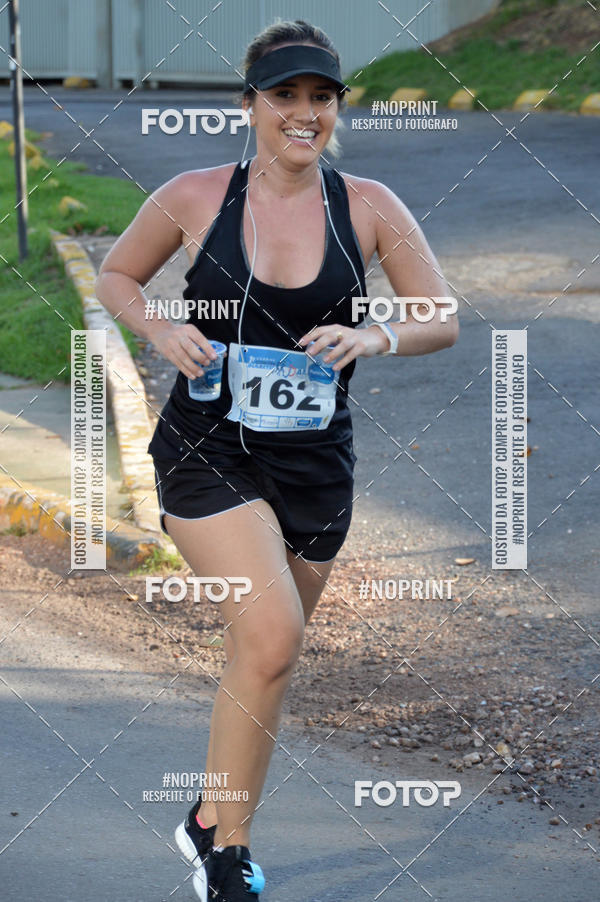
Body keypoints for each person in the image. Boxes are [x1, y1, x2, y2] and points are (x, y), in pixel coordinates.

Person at [95, 18, 458, 902]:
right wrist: (162, 326)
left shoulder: (367, 205)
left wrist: (372, 335)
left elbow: (440, 313)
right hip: (207, 450)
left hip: (315, 470)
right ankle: (228, 856)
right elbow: (115, 277)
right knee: (271, 631)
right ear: (248, 104)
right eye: (284, 96)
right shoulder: (193, 195)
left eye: (320, 98)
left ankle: (210, 812)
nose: (304, 114)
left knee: (265, 658)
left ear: (334, 108)